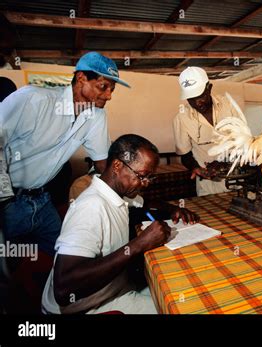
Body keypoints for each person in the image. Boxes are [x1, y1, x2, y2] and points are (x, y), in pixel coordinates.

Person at [42, 134, 199, 314]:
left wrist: (171, 209)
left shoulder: (116, 193)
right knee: (184, 308)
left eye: (149, 178)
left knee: (180, 290)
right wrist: (140, 244)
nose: (145, 183)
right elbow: (64, 289)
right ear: (117, 166)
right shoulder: (91, 207)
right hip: (86, 307)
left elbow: (145, 203)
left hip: (114, 288)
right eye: (142, 176)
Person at [0, 51, 129, 256]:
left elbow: (102, 163)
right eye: (103, 87)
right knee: (6, 269)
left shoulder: (96, 116)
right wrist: (5, 200)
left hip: (42, 199)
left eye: (112, 89)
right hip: (8, 201)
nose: (108, 96)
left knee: (67, 257)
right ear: (81, 78)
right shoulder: (32, 100)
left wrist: (129, 186)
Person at [173, 66, 244, 196]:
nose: (197, 103)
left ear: (209, 88)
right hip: (208, 187)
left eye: (200, 96)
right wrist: (195, 168)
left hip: (236, 181)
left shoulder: (229, 106)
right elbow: (185, 155)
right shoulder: (181, 118)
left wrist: (224, 163)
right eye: (191, 99)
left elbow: (243, 141)